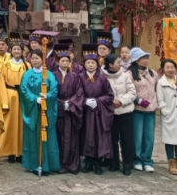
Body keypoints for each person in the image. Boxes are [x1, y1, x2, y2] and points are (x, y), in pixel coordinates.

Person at [20, 49, 59, 176]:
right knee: (33, 137)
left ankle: (47, 165)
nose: (35, 60)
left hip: (46, 110)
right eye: (33, 58)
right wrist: (35, 99)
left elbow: (54, 89)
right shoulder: (27, 75)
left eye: (37, 58)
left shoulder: (49, 74)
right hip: (33, 110)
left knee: (47, 137)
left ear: (42, 60)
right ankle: (33, 164)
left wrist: (47, 96)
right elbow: (23, 90)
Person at [80, 44, 114, 175]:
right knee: (87, 136)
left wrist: (98, 101)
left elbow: (110, 95)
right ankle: (88, 162)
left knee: (98, 136)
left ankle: (98, 162)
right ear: (84, 64)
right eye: (88, 63)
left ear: (97, 64)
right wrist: (85, 100)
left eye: (93, 63)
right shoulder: (79, 77)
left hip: (99, 112)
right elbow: (76, 93)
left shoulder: (103, 78)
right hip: (86, 112)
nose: (90, 65)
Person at [156, 58, 177, 176]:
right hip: (169, 114)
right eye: (168, 67)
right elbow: (160, 99)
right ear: (163, 69)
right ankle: (171, 163)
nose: (170, 69)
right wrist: (165, 111)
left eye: (172, 67)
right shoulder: (161, 83)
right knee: (170, 140)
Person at [102, 53, 136, 175]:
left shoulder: (125, 76)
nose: (120, 64)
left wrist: (121, 101)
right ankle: (114, 162)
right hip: (110, 113)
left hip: (125, 112)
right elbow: (100, 93)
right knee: (112, 139)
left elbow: (132, 92)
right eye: (117, 62)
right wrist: (110, 102)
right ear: (110, 65)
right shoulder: (103, 77)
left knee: (126, 139)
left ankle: (127, 164)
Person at [53, 43, 84, 174]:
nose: (65, 63)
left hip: (71, 111)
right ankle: (60, 164)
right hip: (58, 111)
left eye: (67, 61)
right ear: (57, 62)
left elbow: (79, 92)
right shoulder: (53, 75)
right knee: (59, 137)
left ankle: (72, 164)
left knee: (71, 138)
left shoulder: (75, 76)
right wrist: (60, 104)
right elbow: (51, 92)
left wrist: (70, 104)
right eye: (62, 61)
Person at [0, 39, 29, 163]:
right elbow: (1, 82)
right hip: (10, 95)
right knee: (10, 125)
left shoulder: (27, 65)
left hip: (23, 96)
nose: (16, 51)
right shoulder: (6, 64)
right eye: (14, 49)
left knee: (22, 124)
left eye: (19, 49)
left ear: (22, 51)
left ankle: (20, 152)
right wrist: (4, 101)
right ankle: (10, 151)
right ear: (11, 51)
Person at [128, 47, 158, 172]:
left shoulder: (153, 73)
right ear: (136, 60)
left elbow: (157, 89)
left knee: (149, 136)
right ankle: (137, 159)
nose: (145, 60)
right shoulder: (129, 74)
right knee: (137, 136)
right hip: (137, 110)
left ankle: (147, 160)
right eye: (142, 58)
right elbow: (128, 91)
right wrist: (138, 101)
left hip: (151, 109)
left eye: (146, 58)